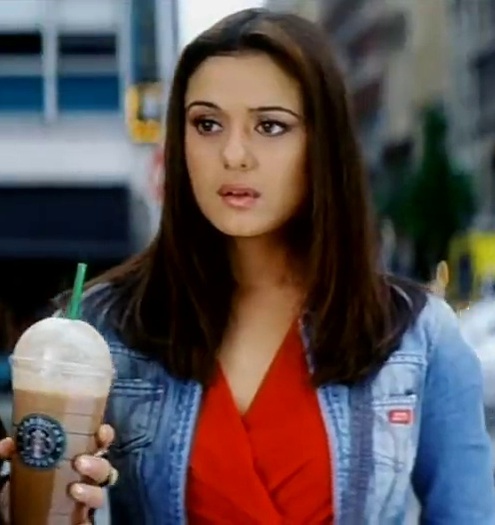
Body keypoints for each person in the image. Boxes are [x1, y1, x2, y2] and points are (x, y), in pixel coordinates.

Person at [2, 7, 495, 524]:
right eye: (207, 124)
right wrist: (26, 508)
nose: (234, 154)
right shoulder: (104, 329)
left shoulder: (420, 337)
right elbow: (51, 503)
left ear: (322, 145)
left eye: (270, 126)